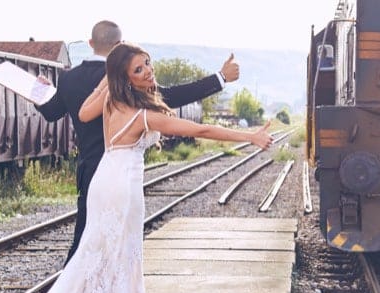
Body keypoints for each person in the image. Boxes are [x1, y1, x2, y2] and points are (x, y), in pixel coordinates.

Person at [26, 42, 272, 293]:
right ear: (126, 77)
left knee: (96, 255)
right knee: (123, 258)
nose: (148, 72)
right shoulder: (142, 116)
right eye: (138, 69)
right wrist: (249, 137)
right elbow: (201, 128)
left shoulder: (109, 103)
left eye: (147, 63)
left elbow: (83, 113)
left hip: (104, 181)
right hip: (122, 188)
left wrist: (109, 79)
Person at [35, 20, 240, 264]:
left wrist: (39, 93)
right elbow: (172, 96)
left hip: (91, 172)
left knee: (85, 239)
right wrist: (220, 78)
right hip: (120, 178)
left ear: (90, 44)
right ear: (120, 45)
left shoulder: (68, 79)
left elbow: (51, 112)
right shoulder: (125, 77)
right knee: (117, 247)